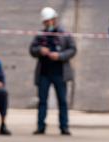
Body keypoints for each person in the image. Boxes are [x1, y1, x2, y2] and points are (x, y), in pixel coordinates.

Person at [30, 7, 77, 135]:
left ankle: (64, 126)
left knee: (62, 101)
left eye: (50, 20)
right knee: (42, 101)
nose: (49, 23)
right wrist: (40, 50)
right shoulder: (40, 35)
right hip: (44, 73)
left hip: (60, 73)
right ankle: (40, 126)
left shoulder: (64, 34)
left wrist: (60, 56)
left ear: (55, 19)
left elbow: (72, 49)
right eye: (46, 21)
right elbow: (32, 50)